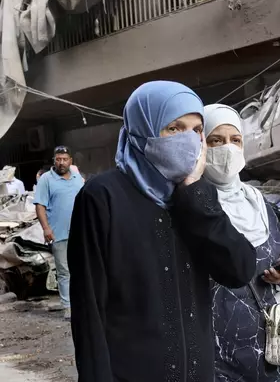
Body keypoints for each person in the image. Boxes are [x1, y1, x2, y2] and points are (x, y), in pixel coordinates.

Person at [67, 81, 257, 382]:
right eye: (174, 128)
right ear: (144, 128)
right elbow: (89, 310)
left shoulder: (194, 196)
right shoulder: (102, 197)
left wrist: (195, 196)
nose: (189, 140)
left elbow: (240, 269)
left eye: (196, 130)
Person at [202, 104, 280, 382]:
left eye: (235, 140)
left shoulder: (259, 203)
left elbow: (279, 257)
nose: (227, 149)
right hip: (214, 346)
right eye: (215, 141)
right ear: (200, 146)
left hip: (269, 340)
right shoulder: (190, 205)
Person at [34, 146, 84, 318]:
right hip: (59, 233)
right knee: (64, 271)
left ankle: (82, 302)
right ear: (54, 161)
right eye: (58, 159)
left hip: (81, 233)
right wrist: (46, 228)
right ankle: (67, 307)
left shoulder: (78, 177)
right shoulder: (46, 179)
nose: (61, 162)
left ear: (71, 160)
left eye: (64, 159)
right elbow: (40, 205)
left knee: (82, 269)